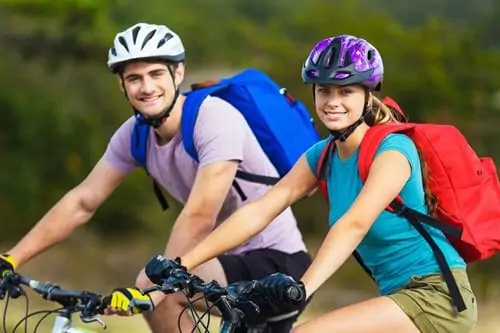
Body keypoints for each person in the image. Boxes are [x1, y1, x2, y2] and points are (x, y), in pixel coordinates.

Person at [150, 35, 478, 332]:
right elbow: (261, 210)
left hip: (436, 297)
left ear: (368, 94)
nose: (332, 101)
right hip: (395, 296)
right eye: (324, 91)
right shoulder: (322, 156)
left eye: (345, 91)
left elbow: (355, 223)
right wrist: (182, 263)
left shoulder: (393, 150)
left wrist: (303, 287)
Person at [0, 22, 312, 332]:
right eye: (134, 78)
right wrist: (12, 259)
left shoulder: (213, 117)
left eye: (156, 74)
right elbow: (82, 202)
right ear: (122, 85)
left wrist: (154, 284)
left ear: (178, 73)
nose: (146, 87)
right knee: (156, 289)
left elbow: (200, 214)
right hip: (217, 265)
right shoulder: (135, 135)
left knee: (156, 289)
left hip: (278, 266)